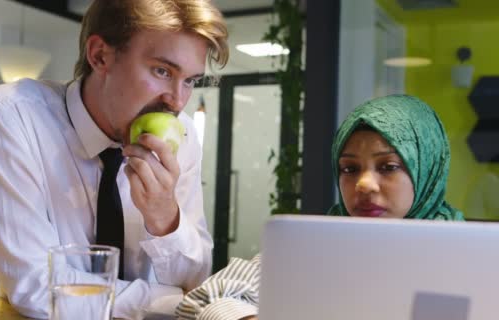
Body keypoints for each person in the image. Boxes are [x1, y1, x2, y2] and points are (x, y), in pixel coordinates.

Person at [0, 1, 228, 319]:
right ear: (100, 56)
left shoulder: (182, 135)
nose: (177, 100)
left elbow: (195, 278)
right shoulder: (11, 115)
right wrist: (175, 303)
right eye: (162, 71)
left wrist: (165, 220)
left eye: (190, 80)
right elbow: (34, 285)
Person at [175, 94, 464, 320]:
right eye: (349, 169)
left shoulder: (466, 254)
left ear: (427, 170)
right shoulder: (313, 246)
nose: (363, 185)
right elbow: (203, 298)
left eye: (388, 166)